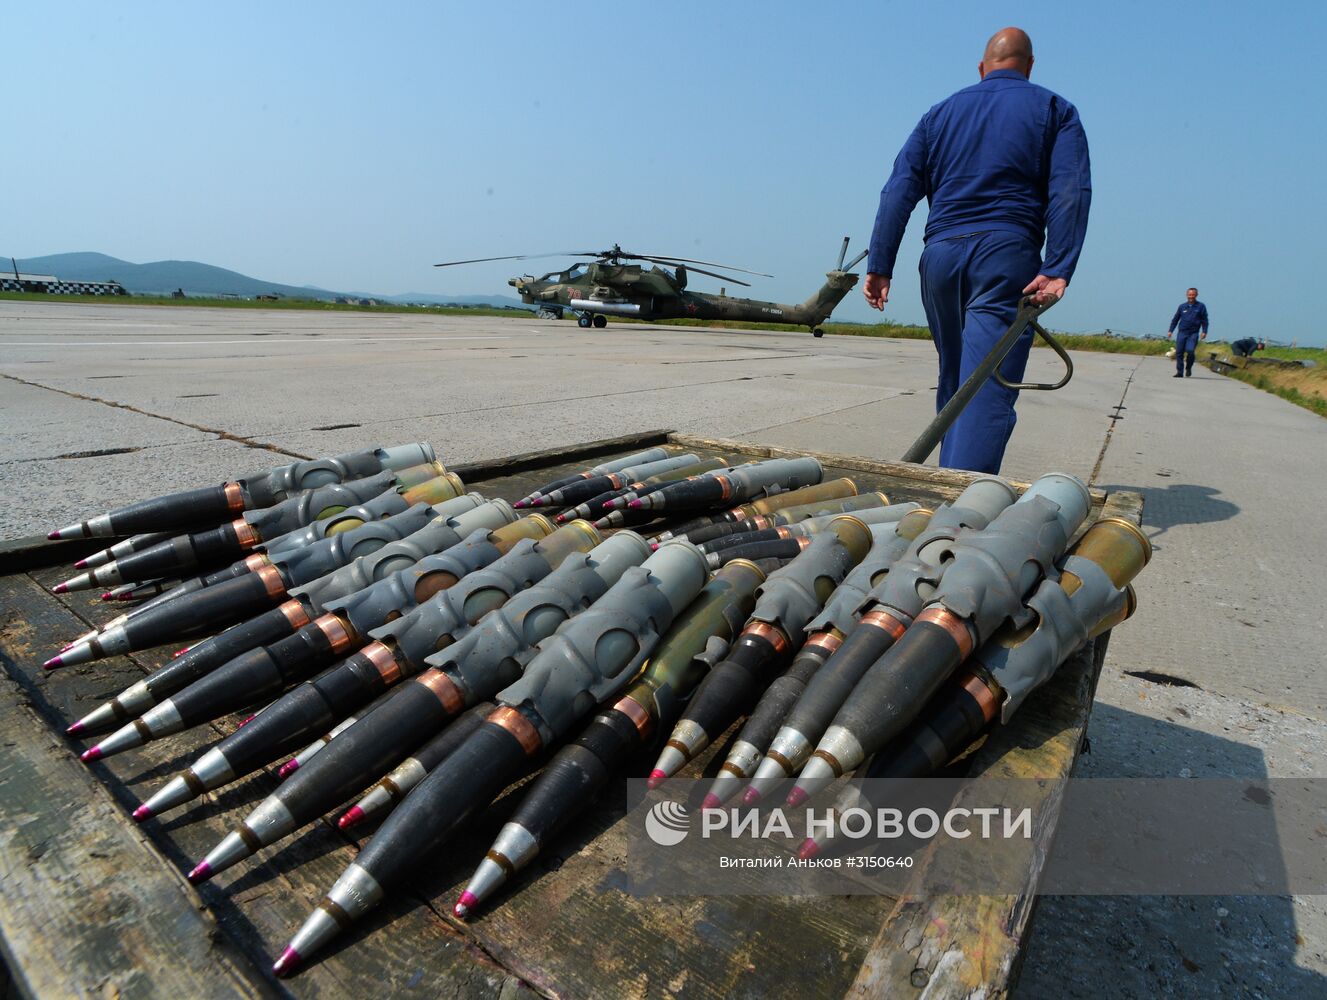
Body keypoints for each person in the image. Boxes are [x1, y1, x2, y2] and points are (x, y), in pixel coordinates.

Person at [863, 27, 1091, 474]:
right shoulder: (1055, 109)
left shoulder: (938, 114)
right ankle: (959, 520)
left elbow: (898, 190)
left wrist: (880, 262)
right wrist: (1059, 265)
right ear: (1029, 66)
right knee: (984, 390)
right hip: (1006, 257)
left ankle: (942, 491)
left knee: (955, 383)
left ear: (982, 68)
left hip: (941, 258)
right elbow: (1070, 190)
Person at [1167, 287, 1209, 377]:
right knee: (1179, 352)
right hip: (1182, 332)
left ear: (1196, 295)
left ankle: (1188, 367)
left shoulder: (1201, 306)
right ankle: (1180, 372)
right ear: (1187, 295)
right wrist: (1171, 330)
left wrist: (1204, 331)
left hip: (1193, 333)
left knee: (1190, 351)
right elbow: (1175, 319)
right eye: (1190, 294)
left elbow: (1205, 320)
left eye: (1193, 294)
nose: (1191, 296)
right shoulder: (1182, 306)